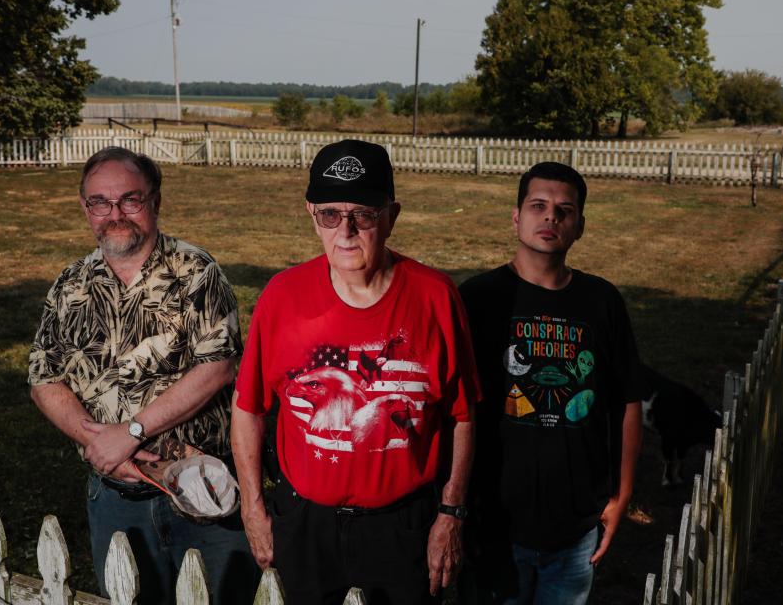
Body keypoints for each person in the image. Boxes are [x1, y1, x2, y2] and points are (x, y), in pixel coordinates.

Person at [231, 139, 481, 605]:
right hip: (306, 524)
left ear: (391, 214)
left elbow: (463, 415)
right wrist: (253, 506)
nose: (344, 231)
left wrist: (451, 513)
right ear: (311, 213)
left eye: (362, 214)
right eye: (329, 214)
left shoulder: (435, 297)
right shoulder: (282, 297)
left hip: (402, 525)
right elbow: (247, 408)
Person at [28, 147, 258, 605]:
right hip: (115, 497)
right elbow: (43, 376)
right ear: (85, 207)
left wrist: (131, 432)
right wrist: (102, 446)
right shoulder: (71, 284)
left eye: (130, 200)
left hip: (199, 488)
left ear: (155, 201)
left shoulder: (197, 272)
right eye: (100, 202)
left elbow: (217, 367)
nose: (115, 215)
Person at [459, 161, 643, 604]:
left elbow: (627, 403)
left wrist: (621, 495)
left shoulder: (602, 301)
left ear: (580, 226)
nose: (551, 217)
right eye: (538, 205)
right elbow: (454, 407)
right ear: (516, 217)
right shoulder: (477, 298)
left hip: (576, 524)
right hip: (495, 520)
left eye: (565, 210)